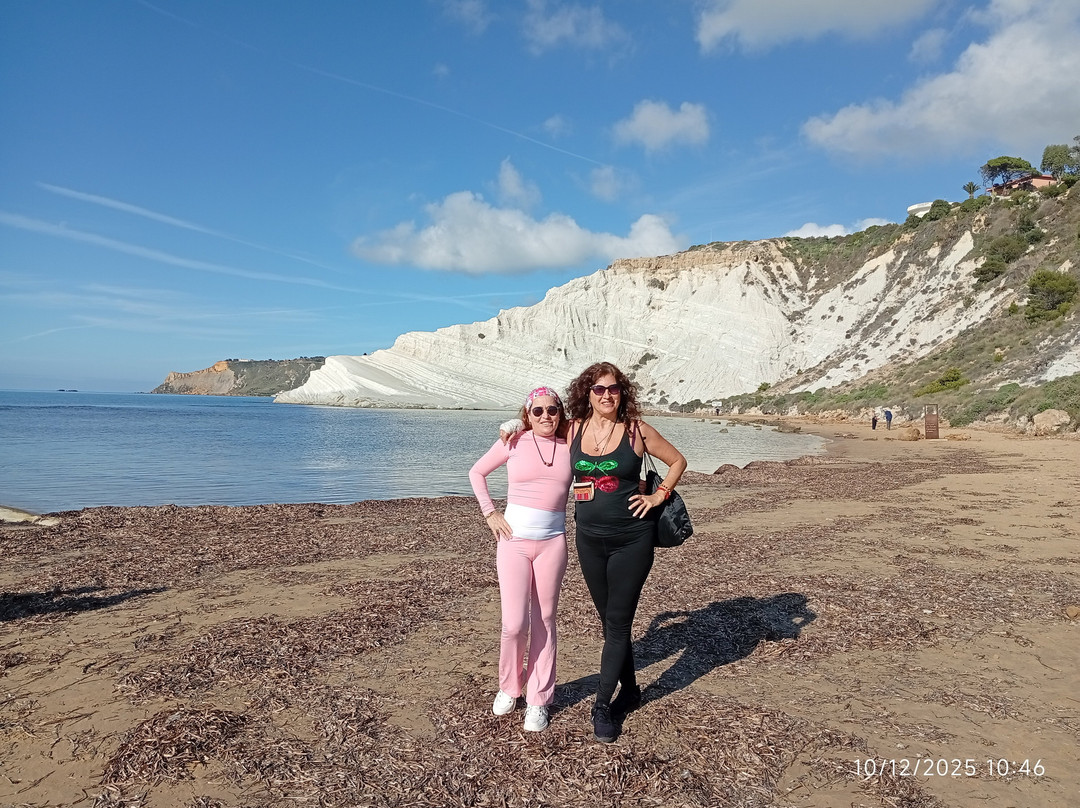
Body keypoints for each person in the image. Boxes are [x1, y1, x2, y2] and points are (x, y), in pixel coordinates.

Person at [565, 362, 686, 743]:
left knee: (617, 623)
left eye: (613, 389)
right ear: (587, 393)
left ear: (623, 393)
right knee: (610, 623)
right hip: (588, 539)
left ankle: (603, 705)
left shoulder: (637, 431)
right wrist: (512, 428)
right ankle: (631, 690)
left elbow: (678, 461)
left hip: (632, 540)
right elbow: (536, 429)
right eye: (598, 389)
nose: (606, 395)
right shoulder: (574, 429)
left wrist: (657, 495)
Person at [469, 386, 572, 732]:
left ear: (561, 413)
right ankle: (509, 687)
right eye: (538, 411)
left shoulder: (572, 443)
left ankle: (539, 699)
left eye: (552, 410)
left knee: (544, 620)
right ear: (527, 414)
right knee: (513, 624)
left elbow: (600, 430)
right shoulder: (513, 441)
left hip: (552, 544)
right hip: (512, 543)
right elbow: (476, 473)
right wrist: (490, 513)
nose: (546, 416)